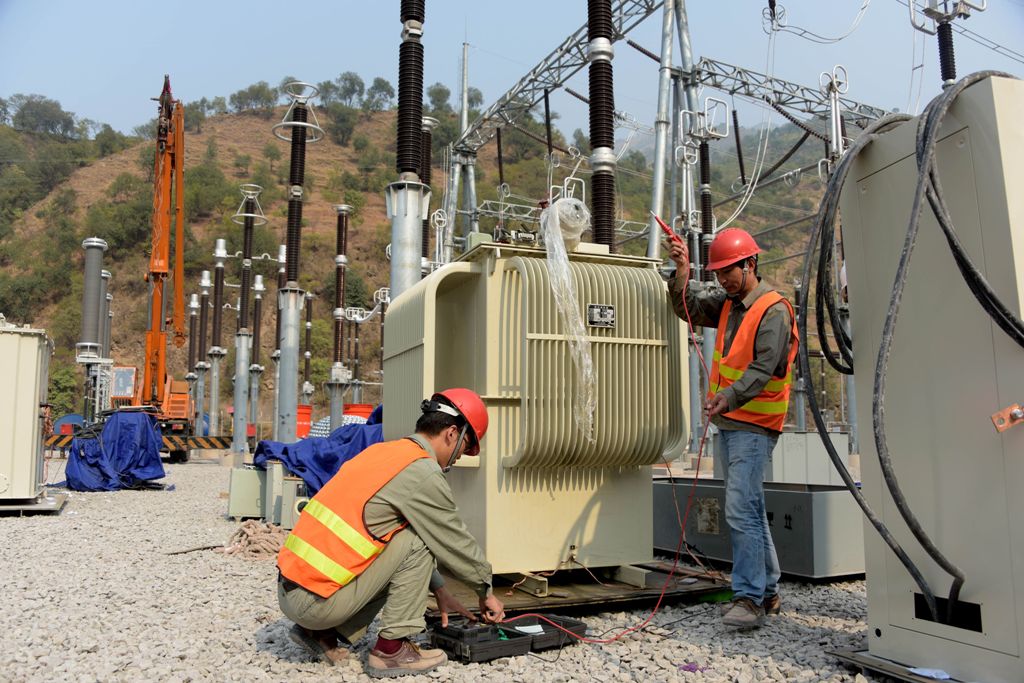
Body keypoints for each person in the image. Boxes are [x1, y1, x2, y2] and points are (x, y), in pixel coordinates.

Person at [275, 388, 505, 677]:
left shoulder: (384, 452)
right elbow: (454, 540)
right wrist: (486, 591)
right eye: (464, 446)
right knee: (419, 538)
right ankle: (392, 649)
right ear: (451, 433)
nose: (460, 456)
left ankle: (320, 633)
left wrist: (439, 589)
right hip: (313, 602)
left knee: (405, 531)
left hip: (293, 591)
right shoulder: (423, 471)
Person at [665, 228, 798, 629]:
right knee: (750, 509)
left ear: (750, 264)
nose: (722, 280)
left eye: (727, 272)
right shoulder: (728, 303)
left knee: (741, 510)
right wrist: (683, 268)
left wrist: (730, 397)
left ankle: (749, 599)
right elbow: (685, 306)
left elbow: (765, 367)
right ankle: (768, 591)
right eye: (718, 272)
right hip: (731, 421)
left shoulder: (774, 310)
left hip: (755, 425)